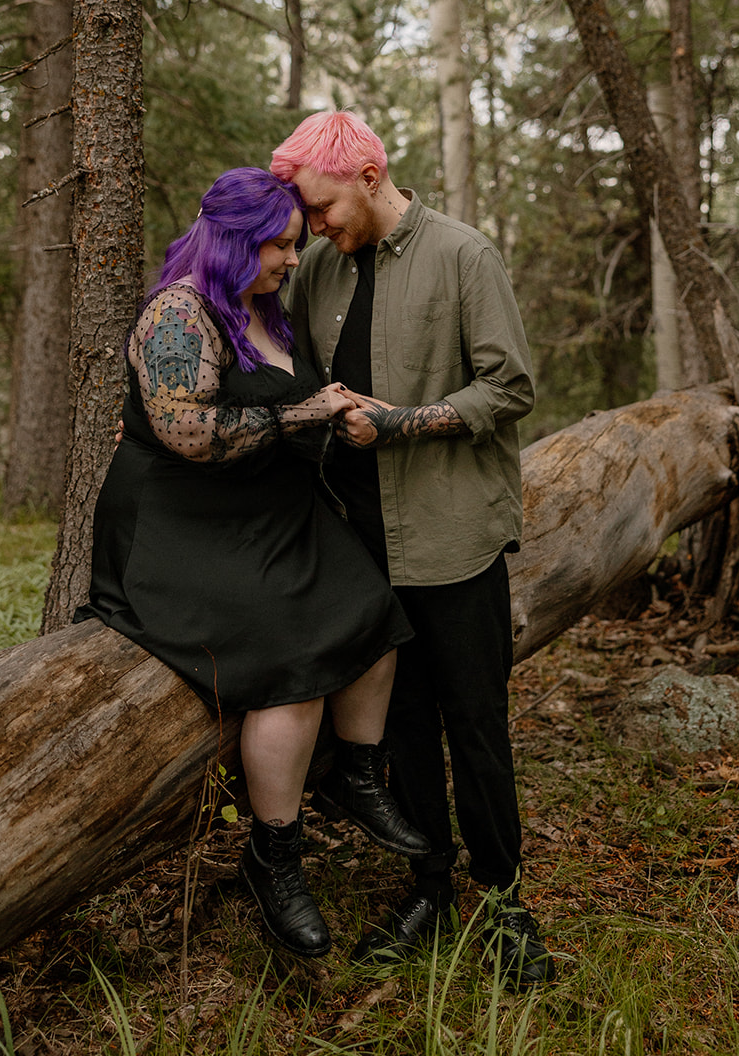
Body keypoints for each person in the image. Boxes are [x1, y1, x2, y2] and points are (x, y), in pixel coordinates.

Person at [76, 167, 430, 960]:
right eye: (278, 246)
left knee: (373, 610)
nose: (291, 260)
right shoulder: (178, 315)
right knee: (289, 660)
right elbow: (192, 435)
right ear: (234, 243)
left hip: (267, 514)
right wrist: (312, 407)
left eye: (294, 245)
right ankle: (275, 857)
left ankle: (358, 776)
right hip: (181, 527)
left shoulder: (260, 308)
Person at [270, 112, 554, 986]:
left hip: (450, 537)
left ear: (367, 173)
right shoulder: (317, 267)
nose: (315, 227)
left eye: (322, 207)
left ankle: (504, 900)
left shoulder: (462, 255)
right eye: (306, 215)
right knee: (400, 732)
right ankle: (428, 884)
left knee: (474, 723)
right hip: (358, 547)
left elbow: (510, 386)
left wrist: (396, 422)